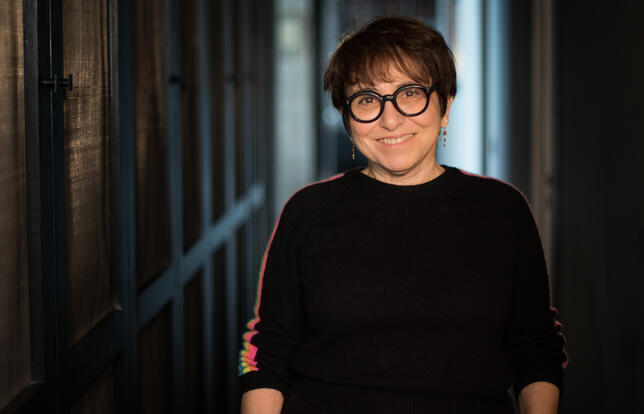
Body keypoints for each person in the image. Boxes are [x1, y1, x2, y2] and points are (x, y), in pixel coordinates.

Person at [239, 16, 568, 414]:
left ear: (445, 105)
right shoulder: (307, 212)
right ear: (347, 118)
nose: (390, 119)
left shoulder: (503, 210)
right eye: (366, 99)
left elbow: (537, 349)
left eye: (410, 93)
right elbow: (265, 353)